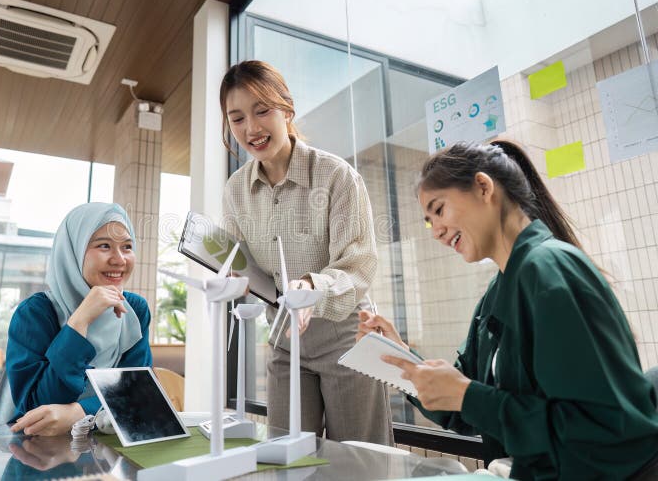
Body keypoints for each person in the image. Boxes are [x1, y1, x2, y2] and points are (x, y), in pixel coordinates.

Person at [358, 140, 658, 479]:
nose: (436, 232)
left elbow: (602, 427)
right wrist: (399, 358)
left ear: (484, 187)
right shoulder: (498, 293)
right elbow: (464, 408)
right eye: (429, 223)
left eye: (439, 210)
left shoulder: (549, 272)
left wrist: (468, 396)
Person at [221, 60, 390, 444]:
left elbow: (359, 263)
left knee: (359, 462)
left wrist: (312, 286)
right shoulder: (235, 190)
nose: (251, 128)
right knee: (288, 459)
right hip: (284, 338)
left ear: (286, 109)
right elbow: (242, 264)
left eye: (262, 111)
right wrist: (234, 279)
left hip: (345, 333)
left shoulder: (336, 176)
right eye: (237, 119)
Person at [6, 202, 152, 436]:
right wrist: (80, 320)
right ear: (72, 250)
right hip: (40, 451)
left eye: (127, 247)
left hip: (109, 443)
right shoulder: (35, 313)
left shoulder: (134, 310)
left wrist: (81, 412)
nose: (119, 260)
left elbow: (137, 394)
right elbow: (38, 407)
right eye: (104, 246)